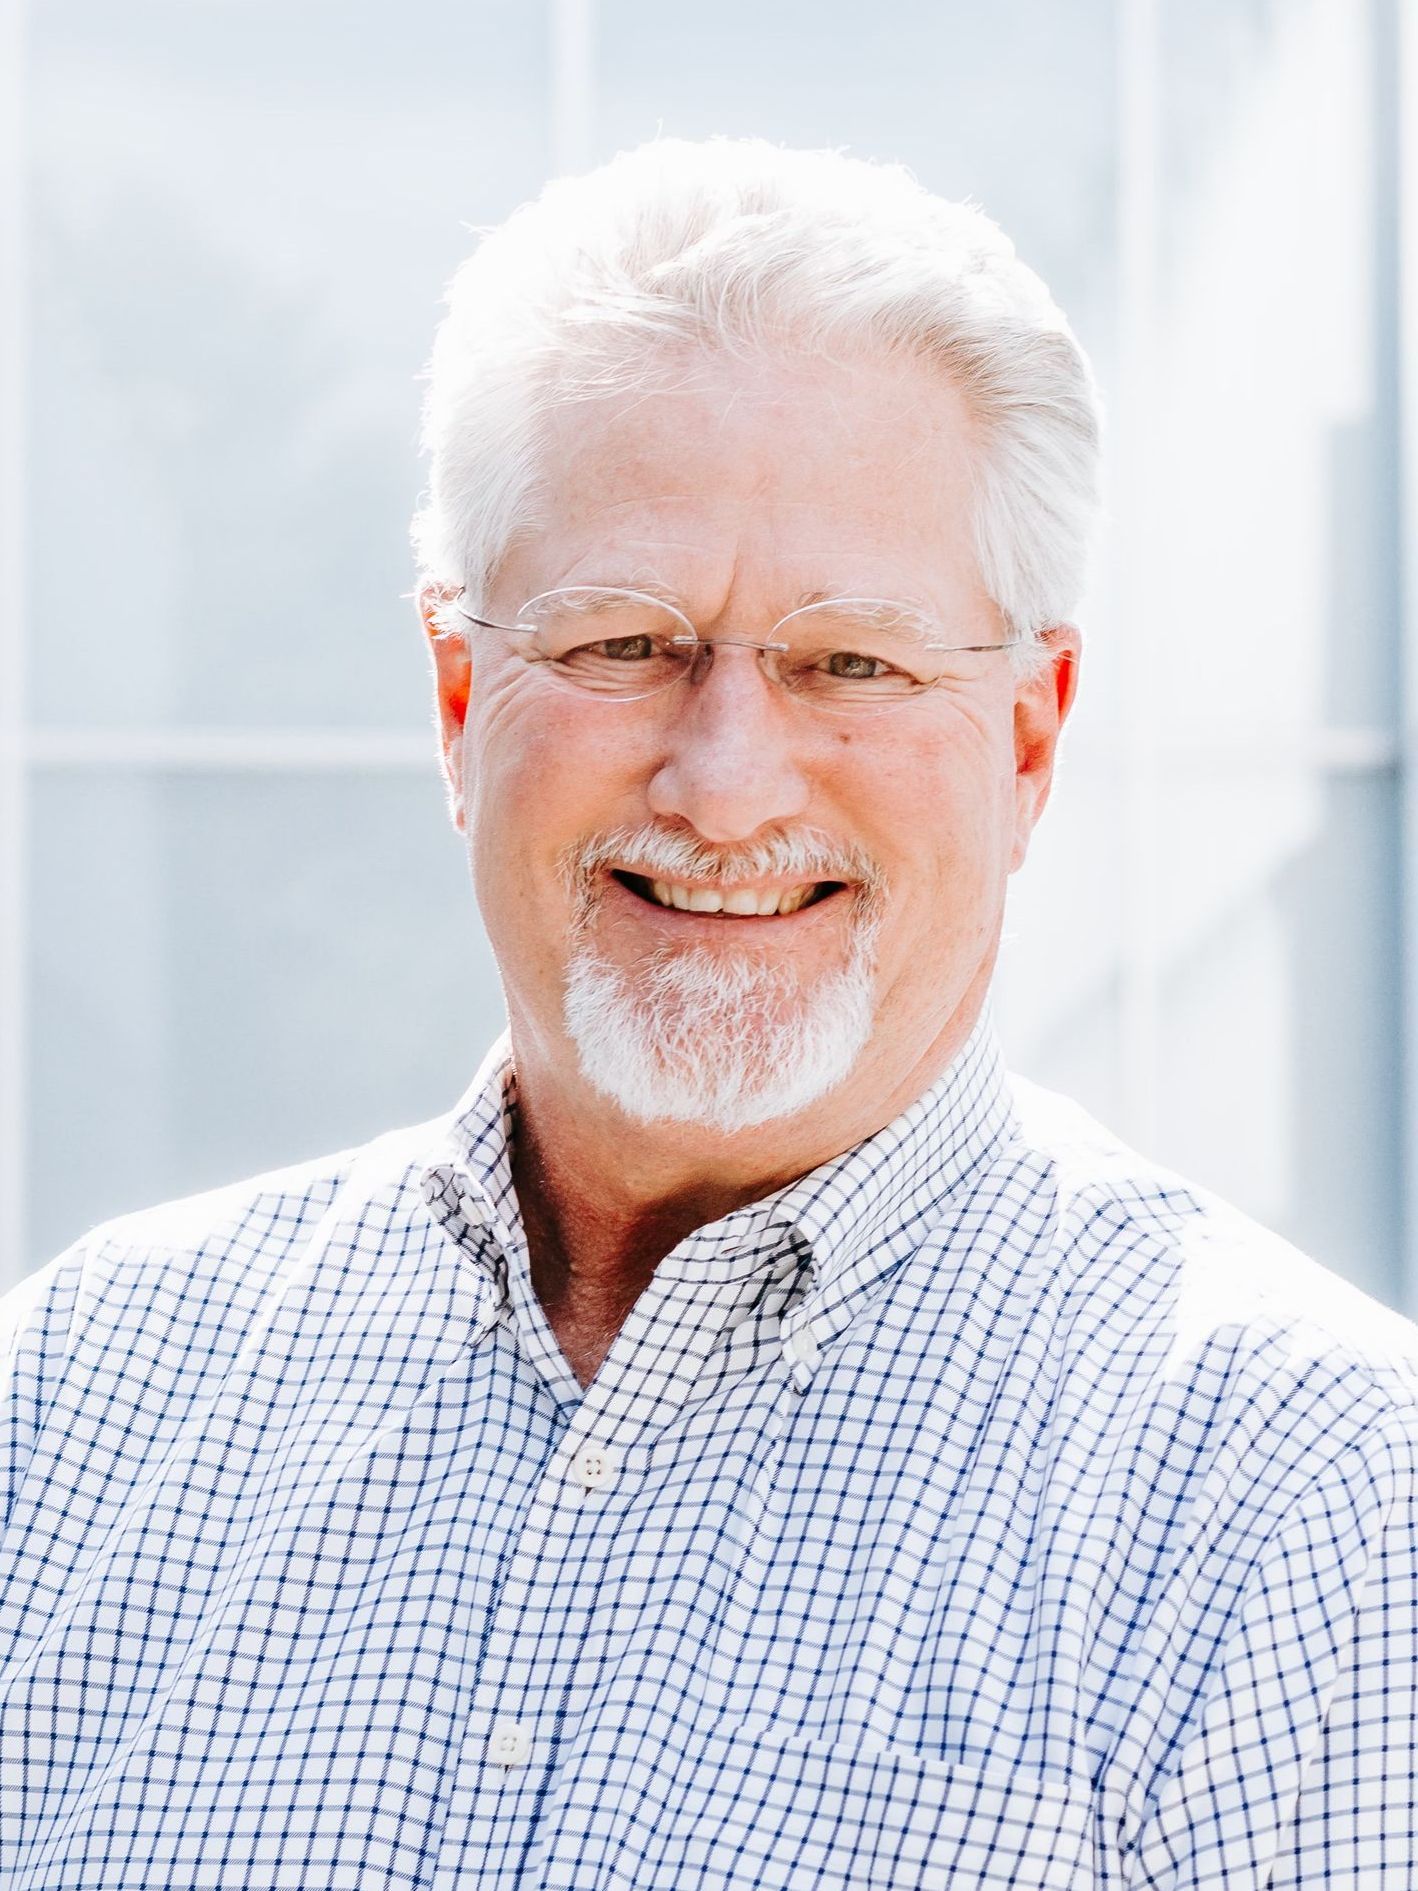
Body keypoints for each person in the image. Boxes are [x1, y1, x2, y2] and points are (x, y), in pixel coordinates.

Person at [2, 138, 1415, 1890]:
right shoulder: (76, 1401)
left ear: (1032, 738)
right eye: (620, 644)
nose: (726, 785)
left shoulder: (1307, 1505)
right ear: (458, 698)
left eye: (853, 664)